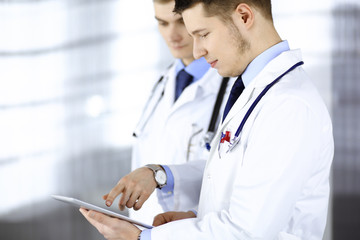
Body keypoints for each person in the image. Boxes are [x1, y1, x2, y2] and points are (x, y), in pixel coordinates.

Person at [80, 0, 334, 239]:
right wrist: (192, 215)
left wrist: (143, 237)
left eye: (203, 34)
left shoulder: (288, 104)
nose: (197, 51)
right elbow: (238, 183)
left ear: (244, 16)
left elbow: (248, 232)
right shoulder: (255, 91)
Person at [103, 0, 232, 226]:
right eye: (162, 23)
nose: (172, 35)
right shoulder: (163, 83)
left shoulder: (234, 88)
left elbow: (230, 173)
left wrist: (159, 175)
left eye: (181, 22)